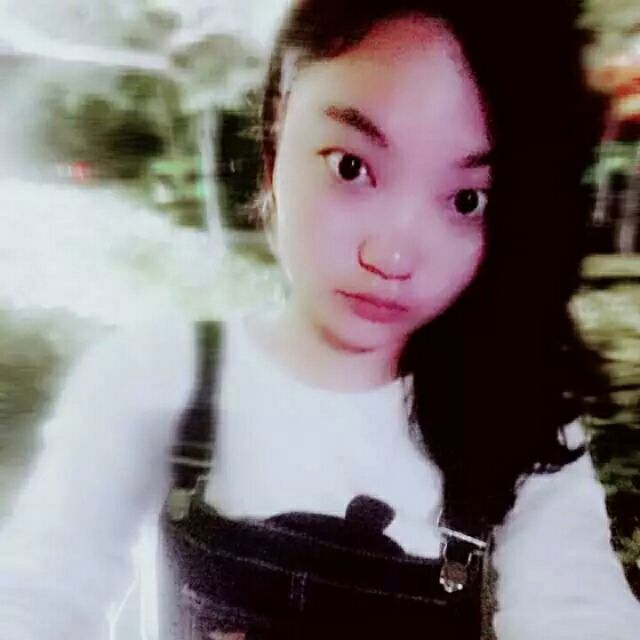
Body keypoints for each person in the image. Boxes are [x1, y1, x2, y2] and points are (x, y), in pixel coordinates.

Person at [1, 0, 639, 638]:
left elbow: (579, 608)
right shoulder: (156, 375)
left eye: (465, 201)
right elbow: (43, 593)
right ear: (278, 130)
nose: (391, 256)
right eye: (351, 167)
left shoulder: (515, 416)